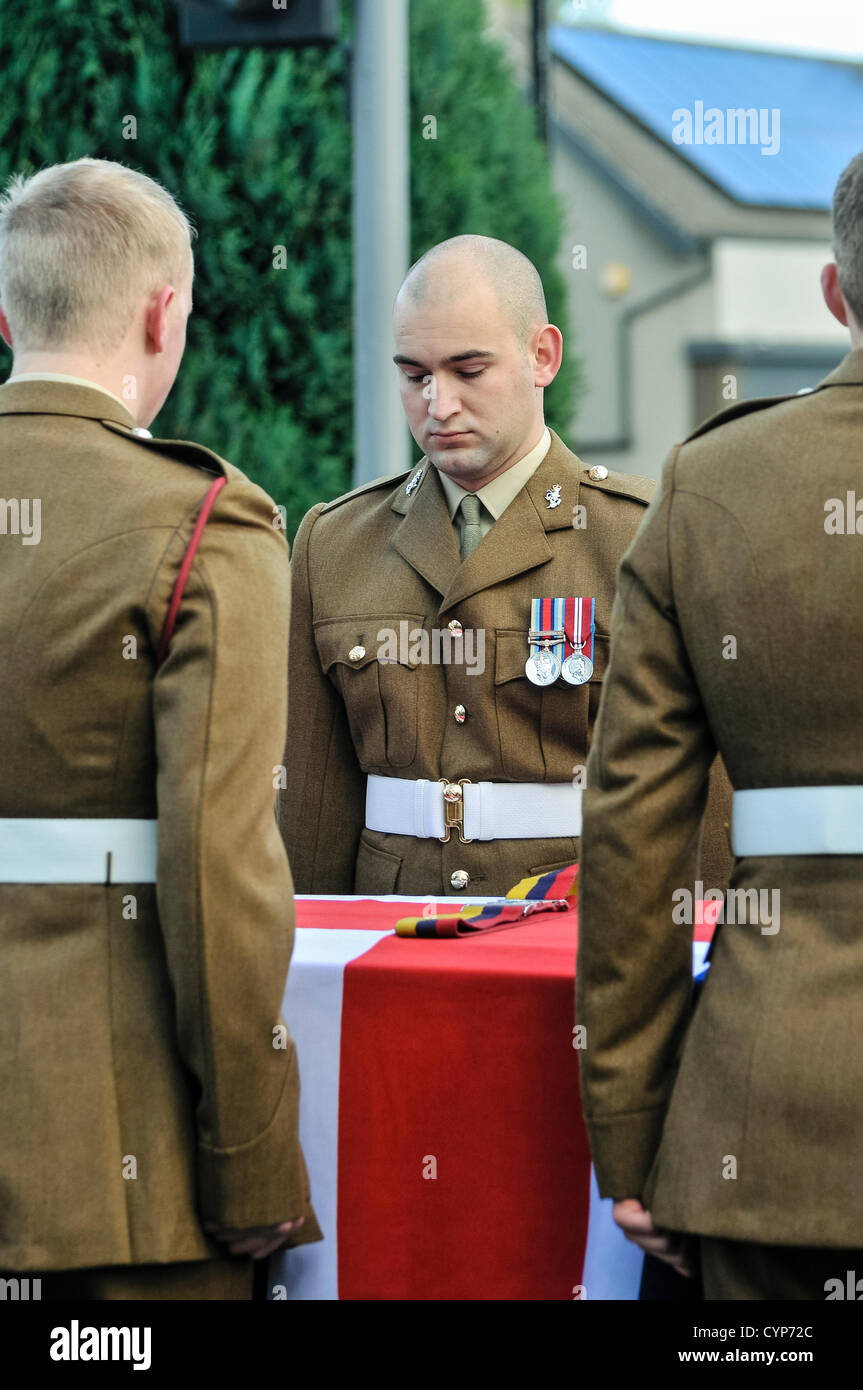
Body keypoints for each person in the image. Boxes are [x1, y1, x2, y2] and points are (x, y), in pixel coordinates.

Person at [0, 158, 321, 1300]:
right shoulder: (198, 519)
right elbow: (214, 873)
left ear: (6, 315)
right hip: (109, 1170)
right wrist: (251, 1170)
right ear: (162, 310)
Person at [575, 150, 863, 1301]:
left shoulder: (709, 485)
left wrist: (635, 1130)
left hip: (762, 1124)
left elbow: (631, 840)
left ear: (835, 294)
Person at [281, 234, 732, 898]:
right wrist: (307, 970)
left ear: (541, 355)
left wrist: (700, 960)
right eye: (414, 375)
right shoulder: (335, 542)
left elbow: (708, 793)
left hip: (575, 935)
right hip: (394, 940)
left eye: (468, 371)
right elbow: (311, 802)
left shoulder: (645, 537)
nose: (438, 405)